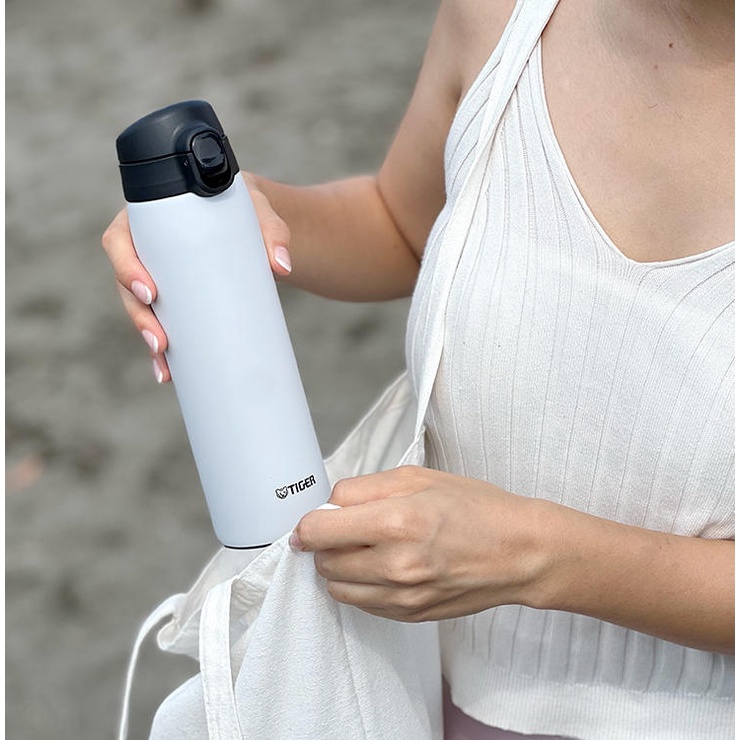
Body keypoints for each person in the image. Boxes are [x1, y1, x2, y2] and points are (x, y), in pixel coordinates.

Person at [102, 0, 734, 737]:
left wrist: (534, 555)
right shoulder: (505, 17)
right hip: (432, 696)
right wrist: (234, 226)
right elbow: (402, 223)